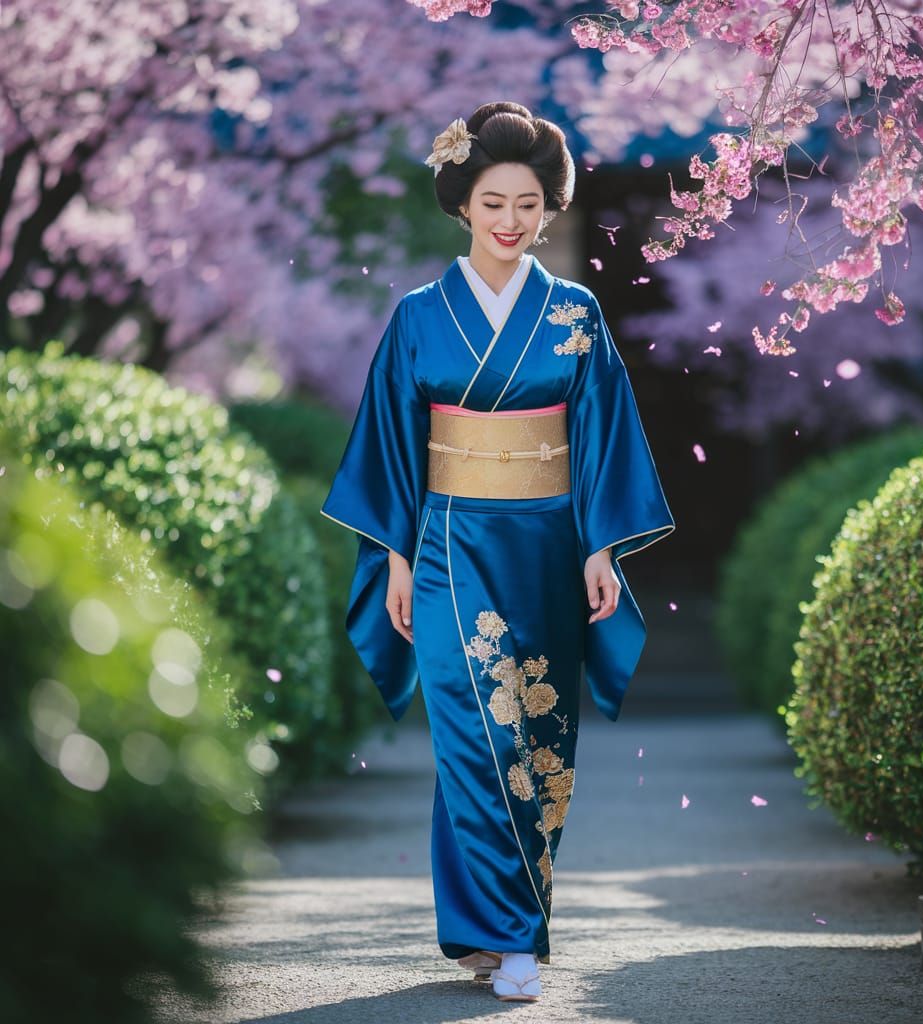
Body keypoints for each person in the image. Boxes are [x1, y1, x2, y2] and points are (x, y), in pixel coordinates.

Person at [321, 101, 674, 1003]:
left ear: (549, 207)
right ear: (463, 206)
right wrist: (395, 557)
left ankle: (491, 923)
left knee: (538, 736)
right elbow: (392, 445)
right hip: (446, 545)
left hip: (548, 546)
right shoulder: (417, 317)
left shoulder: (575, 312)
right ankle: (511, 939)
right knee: (474, 740)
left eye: (527, 204)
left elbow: (602, 438)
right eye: (493, 203)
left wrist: (603, 547)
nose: (511, 221)